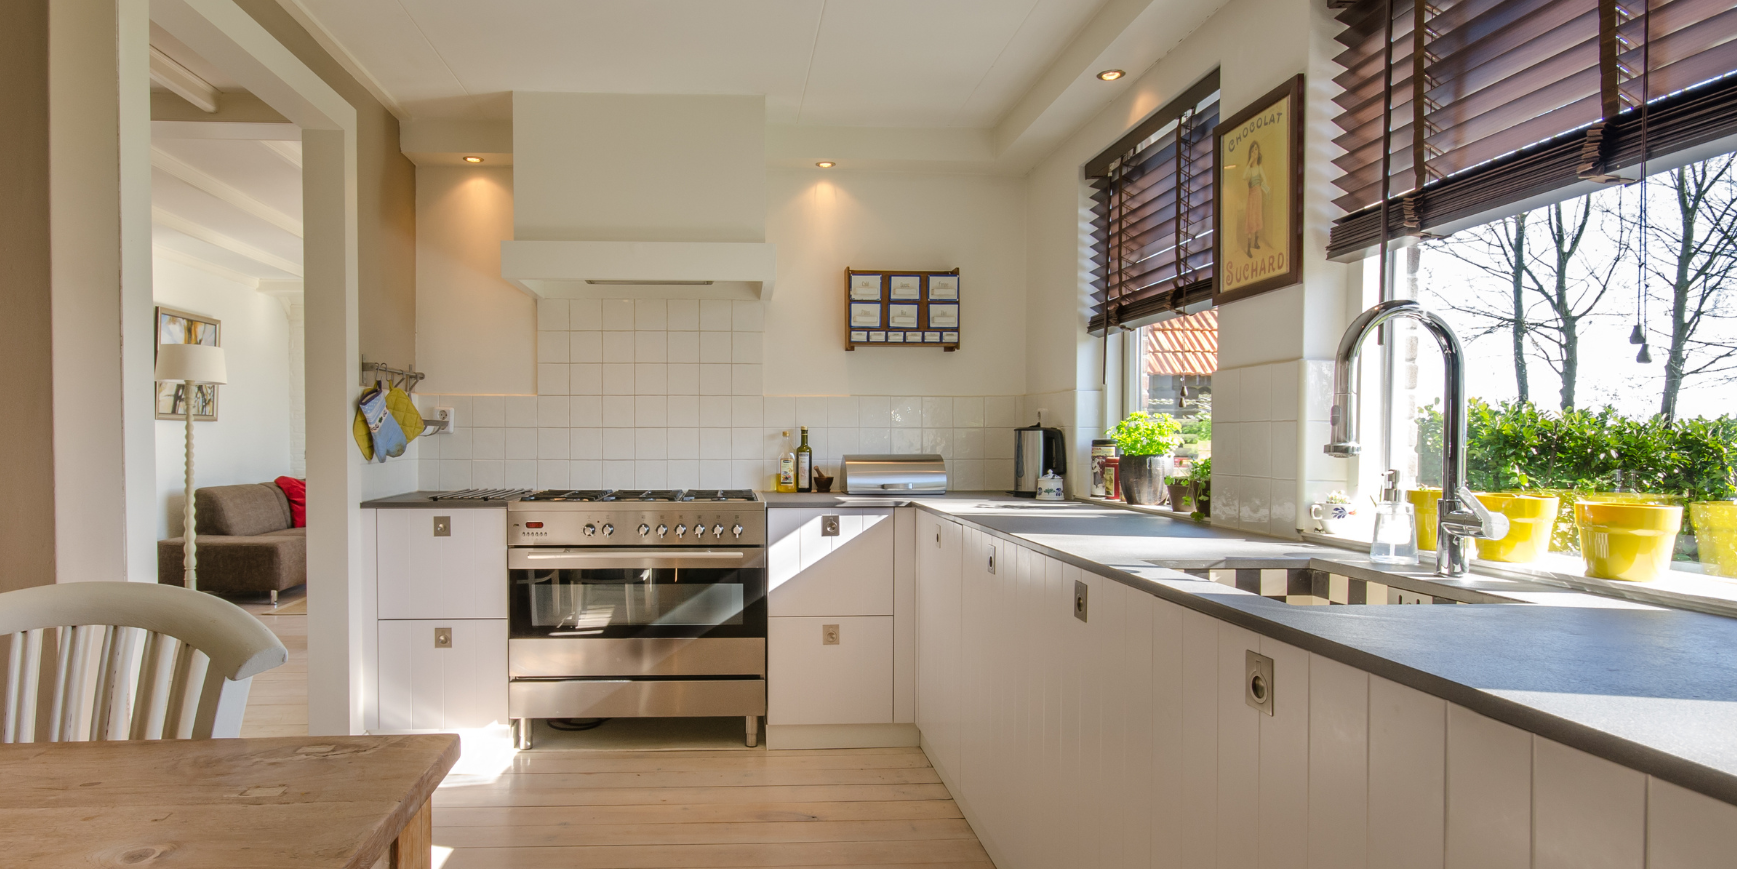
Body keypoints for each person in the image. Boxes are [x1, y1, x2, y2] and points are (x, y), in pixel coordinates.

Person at [1243, 140, 1270, 258]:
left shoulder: (1259, 168)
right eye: (1252, 150)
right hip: (1251, 196)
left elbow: (1264, 179)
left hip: (1258, 194)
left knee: (1258, 216)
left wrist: (1264, 188)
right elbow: (1244, 176)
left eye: (1256, 150)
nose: (1254, 152)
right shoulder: (1249, 169)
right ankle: (1249, 248)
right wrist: (1249, 162)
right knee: (1251, 218)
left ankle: (1256, 241)